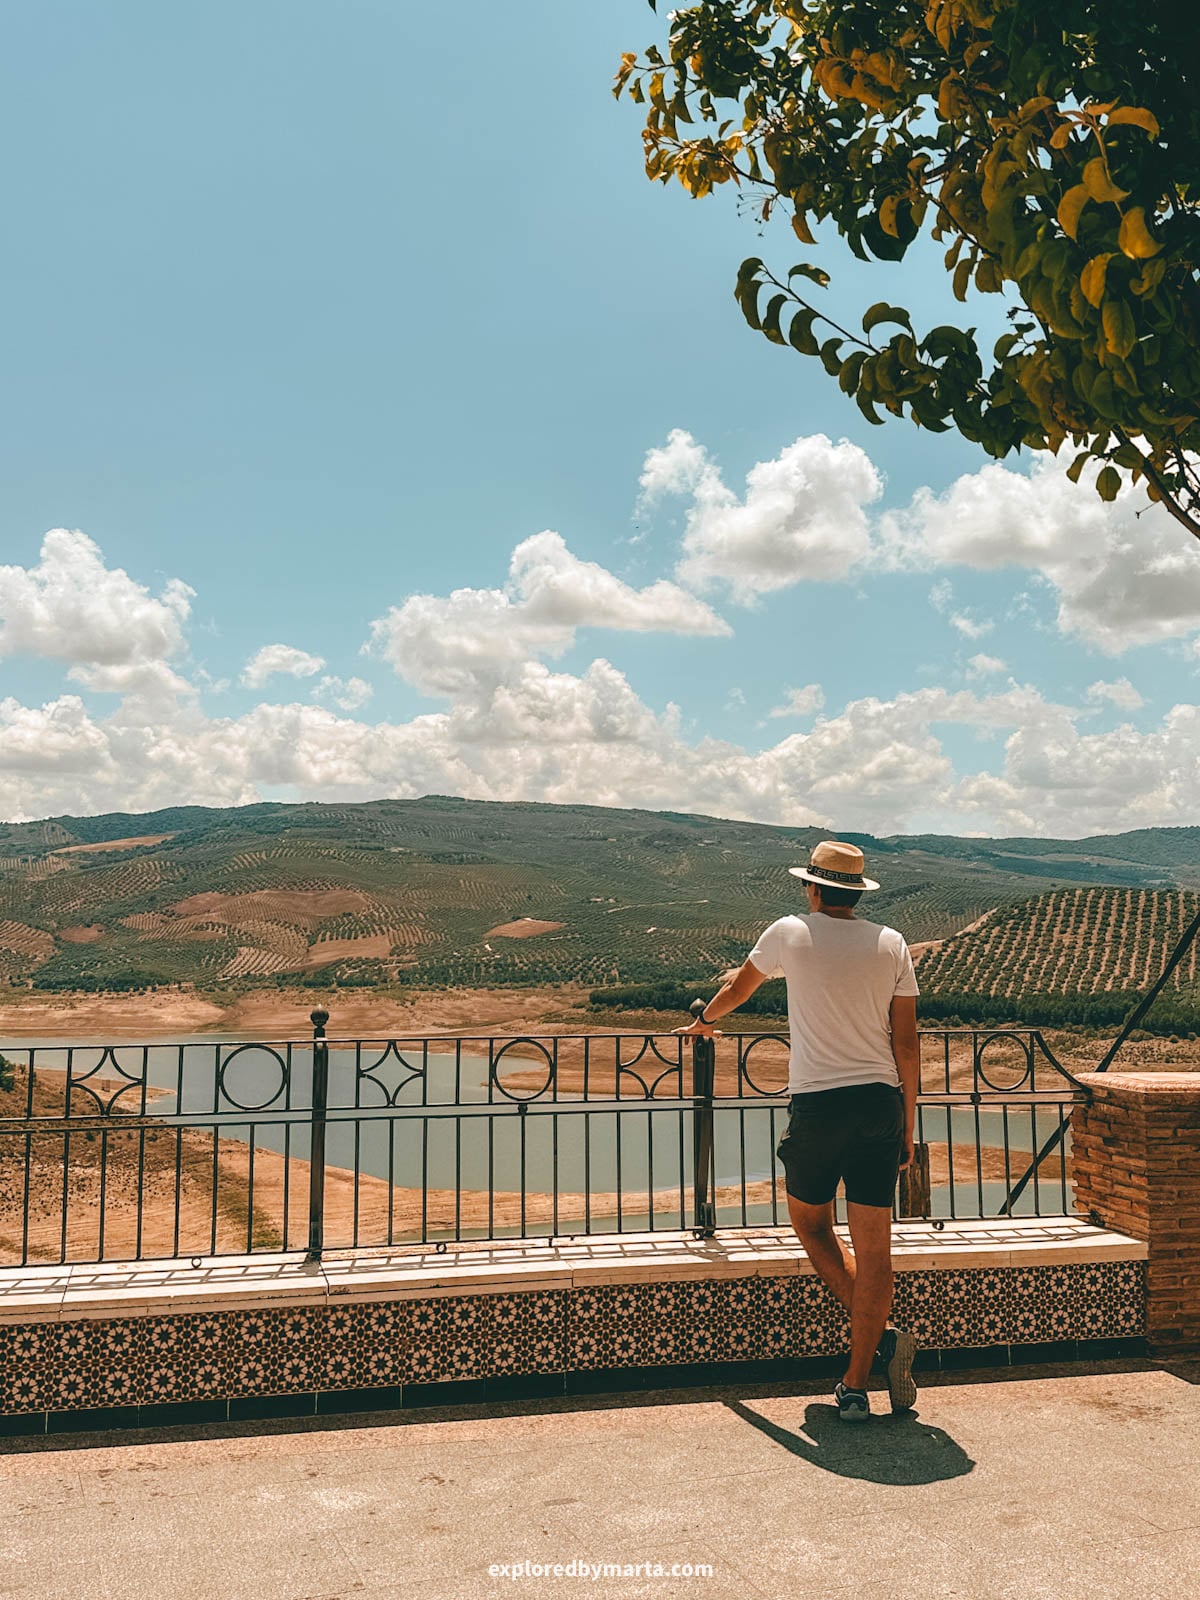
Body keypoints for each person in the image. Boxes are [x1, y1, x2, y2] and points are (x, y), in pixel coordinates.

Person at [676, 839, 920, 1422]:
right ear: (855, 893)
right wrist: (908, 1126)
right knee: (876, 1251)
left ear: (812, 888)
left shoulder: (788, 931)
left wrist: (704, 1022)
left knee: (811, 1222)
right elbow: (907, 1043)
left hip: (819, 1107)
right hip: (880, 1105)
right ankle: (857, 1381)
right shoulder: (891, 942)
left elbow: (738, 989)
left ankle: (884, 1341)